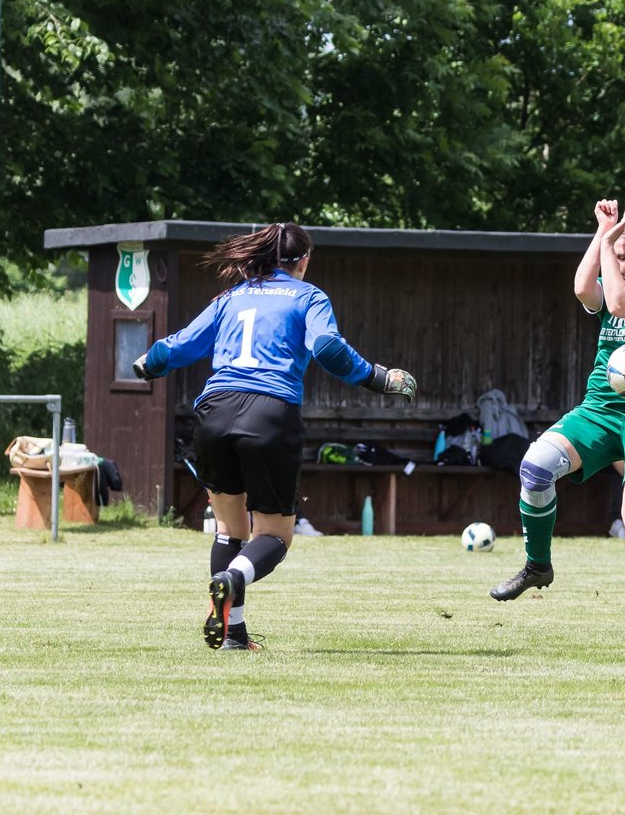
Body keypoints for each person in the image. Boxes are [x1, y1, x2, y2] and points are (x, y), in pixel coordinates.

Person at [132, 222, 417, 650]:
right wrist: (379, 378)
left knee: (229, 530)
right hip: (269, 414)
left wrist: (149, 364)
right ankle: (232, 579)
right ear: (303, 261)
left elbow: (180, 346)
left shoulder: (231, 297)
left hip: (214, 412)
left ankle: (233, 636)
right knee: (274, 536)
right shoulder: (308, 296)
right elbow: (327, 347)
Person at [489, 199, 625, 636]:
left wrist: (610, 244)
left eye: (624, 257)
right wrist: (602, 233)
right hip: (602, 411)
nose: (617, 264)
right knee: (535, 468)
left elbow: (616, 300)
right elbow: (583, 290)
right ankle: (537, 566)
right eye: (616, 257)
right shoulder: (617, 281)